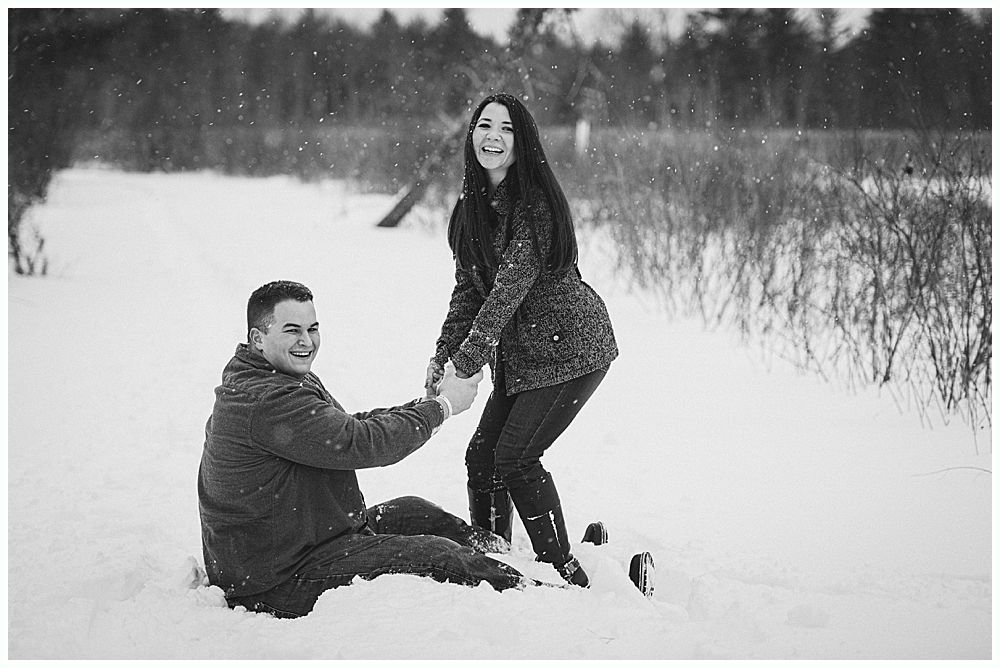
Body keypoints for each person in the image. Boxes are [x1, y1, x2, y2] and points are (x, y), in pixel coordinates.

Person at [198, 280, 530, 619]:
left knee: (414, 511)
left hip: (307, 537)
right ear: (258, 338)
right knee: (435, 555)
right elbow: (360, 442)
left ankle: (503, 555)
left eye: (313, 328)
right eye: (292, 330)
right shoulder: (267, 399)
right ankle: (534, 596)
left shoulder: (278, 374)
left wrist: (426, 404)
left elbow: (343, 426)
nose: (306, 341)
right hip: (277, 578)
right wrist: (443, 406)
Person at [425, 93, 619, 588]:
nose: (493, 136)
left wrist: (466, 365)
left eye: (507, 128)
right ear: (471, 136)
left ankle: (563, 570)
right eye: (484, 125)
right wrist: (444, 355)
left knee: (515, 458)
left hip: (572, 348)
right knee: (482, 458)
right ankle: (494, 558)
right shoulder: (471, 207)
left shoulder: (535, 207)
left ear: (522, 141)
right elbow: (469, 289)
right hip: (524, 356)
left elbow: (506, 293)